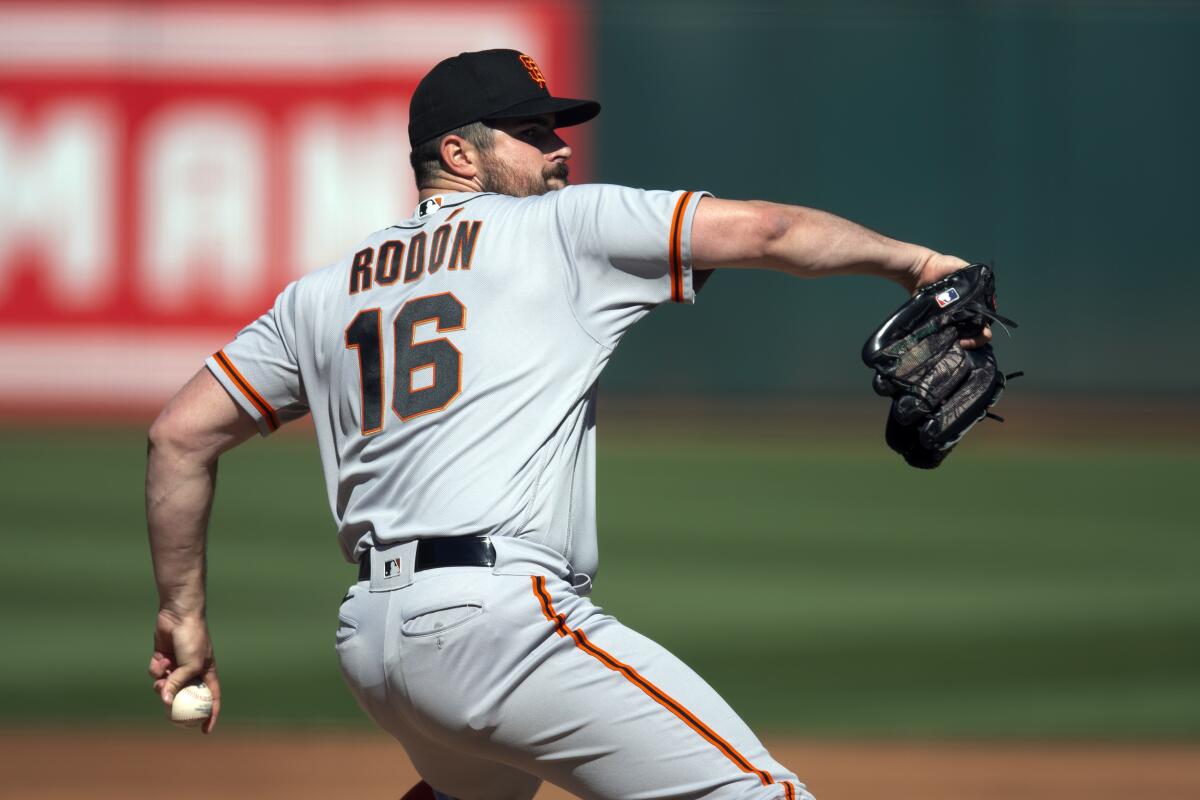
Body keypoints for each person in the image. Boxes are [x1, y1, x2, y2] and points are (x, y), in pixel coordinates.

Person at [146, 49, 986, 800]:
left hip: (372, 643)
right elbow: (768, 230)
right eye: (532, 132)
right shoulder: (557, 229)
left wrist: (183, 615)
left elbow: (179, 435)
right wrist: (916, 264)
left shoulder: (319, 295)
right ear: (459, 154)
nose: (560, 148)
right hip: (497, 622)